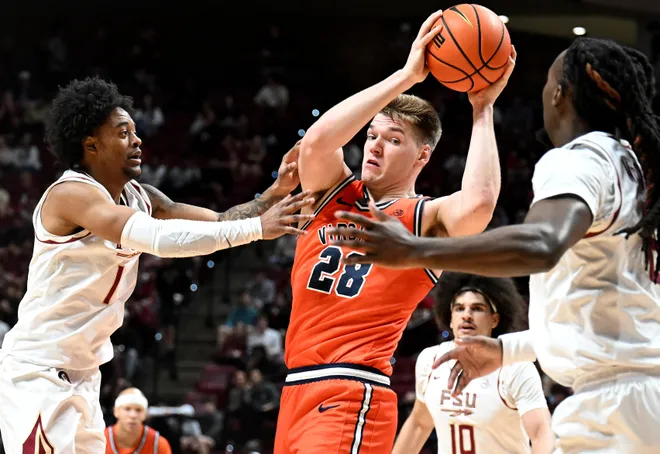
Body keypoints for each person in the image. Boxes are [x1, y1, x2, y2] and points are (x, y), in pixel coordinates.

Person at [329, 37, 660, 453]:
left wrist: (415, 250)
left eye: (547, 80)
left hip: (614, 410)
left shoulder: (583, 158)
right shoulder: (640, 173)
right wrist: (507, 349)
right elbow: (616, 317)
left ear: (560, 93)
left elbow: (543, 243)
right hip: (641, 400)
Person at [0, 76, 314, 453]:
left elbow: (221, 221)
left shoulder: (142, 197)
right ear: (91, 145)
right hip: (38, 372)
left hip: (85, 373)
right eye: (122, 132)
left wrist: (274, 193)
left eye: (135, 130)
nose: (137, 140)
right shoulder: (72, 195)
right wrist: (257, 229)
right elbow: (161, 239)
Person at [274, 10, 516, 454]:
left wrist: (483, 109)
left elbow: (480, 203)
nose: (375, 146)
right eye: (371, 136)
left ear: (422, 157)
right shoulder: (334, 192)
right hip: (295, 390)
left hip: (352, 389)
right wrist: (406, 75)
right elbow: (316, 143)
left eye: (393, 139)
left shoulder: (427, 219)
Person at [392, 272, 552, 454]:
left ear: (494, 320)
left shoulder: (516, 366)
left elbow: (541, 432)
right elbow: (419, 424)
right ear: (450, 319)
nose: (467, 315)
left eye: (477, 308)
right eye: (459, 308)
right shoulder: (430, 360)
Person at [105, 388, 172, 454]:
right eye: (127, 409)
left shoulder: (158, 444)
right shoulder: (100, 438)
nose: (133, 415)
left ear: (145, 414)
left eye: (138, 410)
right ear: (116, 411)